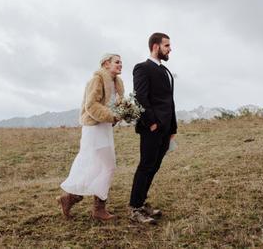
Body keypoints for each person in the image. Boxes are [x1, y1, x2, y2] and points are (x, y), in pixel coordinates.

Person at [57, 54, 124, 221]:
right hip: (94, 128)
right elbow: (91, 105)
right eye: (117, 62)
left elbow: (117, 104)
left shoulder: (117, 83)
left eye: (121, 62)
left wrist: (123, 112)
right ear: (106, 64)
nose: (120, 64)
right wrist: (112, 116)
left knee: (97, 166)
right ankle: (97, 208)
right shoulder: (97, 80)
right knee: (106, 166)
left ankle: (70, 198)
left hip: (105, 127)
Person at [129, 32, 177, 224]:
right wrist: (152, 123)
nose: (170, 49)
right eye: (167, 45)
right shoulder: (142, 68)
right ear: (156, 46)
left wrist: (173, 128)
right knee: (146, 166)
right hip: (152, 128)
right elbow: (141, 98)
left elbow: (169, 102)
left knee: (154, 167)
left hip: (166, 129)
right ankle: (135, 209)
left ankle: (141, 202)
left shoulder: (164, 71)